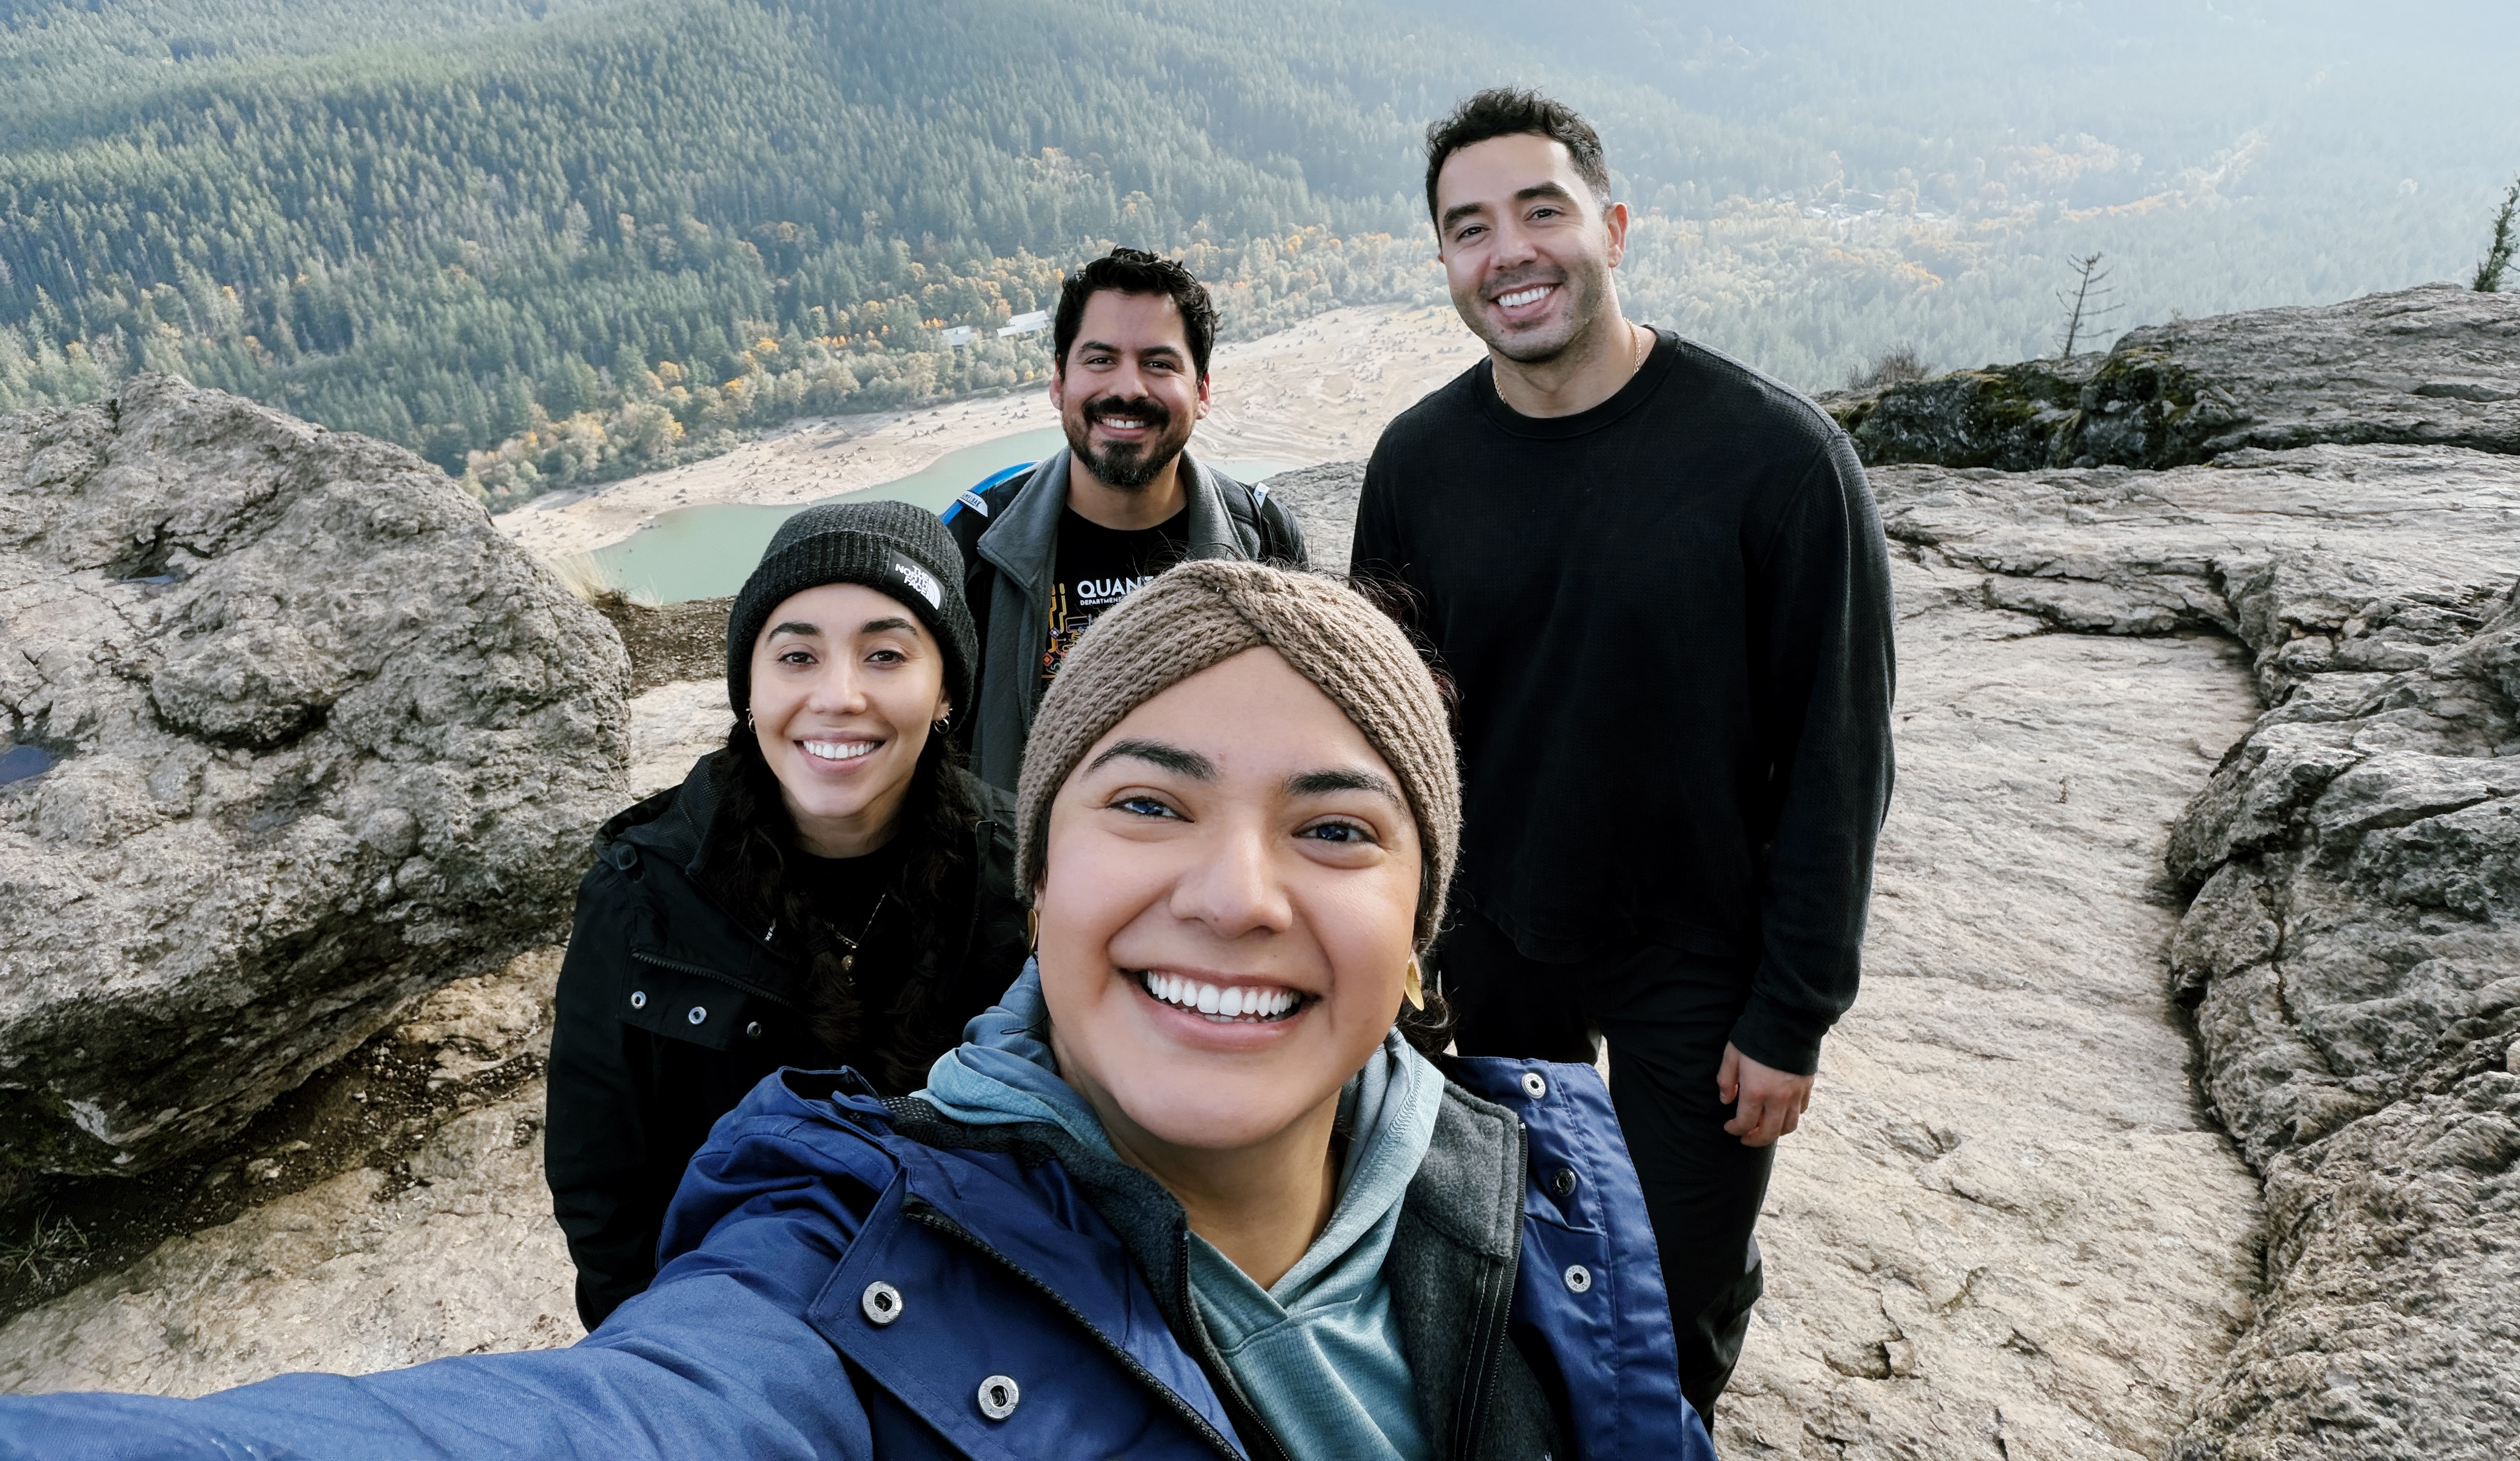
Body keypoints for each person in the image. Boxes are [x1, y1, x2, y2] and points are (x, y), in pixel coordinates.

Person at [0, 561, 1714, 1461]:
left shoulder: (1553, 1190)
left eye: (1335, 828)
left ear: (1420, 924)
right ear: (1046, 891)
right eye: (1147, 803)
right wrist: (643, 1317)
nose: (1235, 892)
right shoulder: (846, 1268)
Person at [1350, 86, 1897, 1429]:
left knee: (1675, 1295)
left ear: (1614, 227)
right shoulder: (1419, 463)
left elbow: (1836, 759)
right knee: (1515, 1266)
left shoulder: (1775, 459)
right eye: (1470, 228)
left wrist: (1793, 1013)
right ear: (1445, 261)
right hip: (1493, 945)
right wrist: (1392, 945)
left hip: (1696, 954)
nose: (1509, 253)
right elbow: (1381, 731)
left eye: (1541, 212)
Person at [544, 500, 1026, 1330]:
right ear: (750, 689)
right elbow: (604, 1190)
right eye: (798, 656)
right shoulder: (644, 891)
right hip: (736, 1317)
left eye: (885, 655)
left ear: (946, 689)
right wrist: (666, 1349)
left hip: (972, 1312)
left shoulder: (1020, 876)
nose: (838, 697)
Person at [949, 245, 1307, 793]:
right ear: (1058, 382)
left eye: (1159, 364)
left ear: (1202, 392)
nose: (1127, 388)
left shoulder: (1263, 537)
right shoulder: (977, 545)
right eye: (1100, 360)